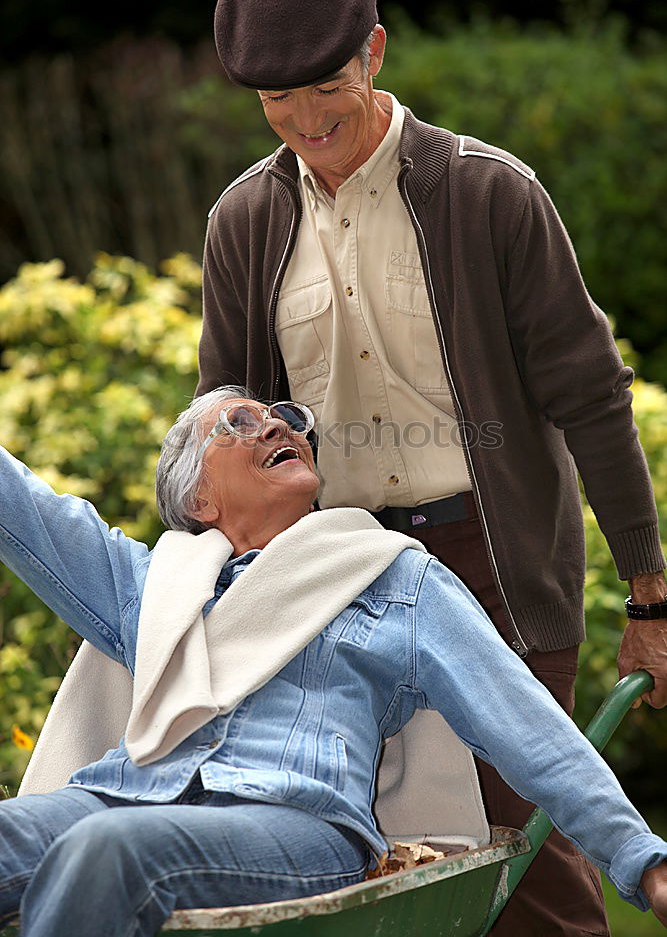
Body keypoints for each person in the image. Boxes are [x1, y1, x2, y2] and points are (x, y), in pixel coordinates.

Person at [195, 0, 667, 933]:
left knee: (518, 851)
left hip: (488, 561)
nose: (306, 119)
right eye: (277, 100)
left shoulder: (488, 195)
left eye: (325, 85)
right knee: (361, 852)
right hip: (334, 577)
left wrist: (650, 594)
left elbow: (589, 396)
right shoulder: (242, 219)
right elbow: (225, 419)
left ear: (373, 52)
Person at [0, 388, 666, 937]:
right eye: (238, 422)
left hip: (294, 825)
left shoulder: (393, 581)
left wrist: (644, 862)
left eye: (286, 418)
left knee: (105, 849)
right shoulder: (151, 588)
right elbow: (24, 510)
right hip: (125, 798)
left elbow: (530, 731)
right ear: (197, 500)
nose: (274, 425)